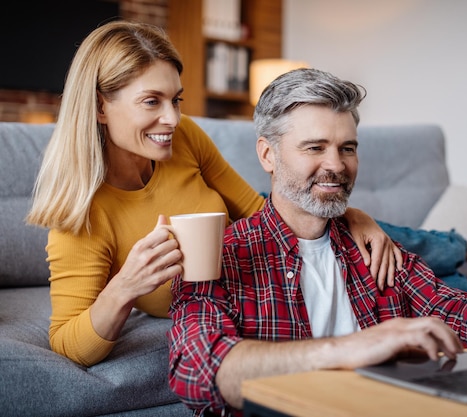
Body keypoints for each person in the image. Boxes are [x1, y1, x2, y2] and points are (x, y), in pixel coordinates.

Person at [25, 20, 404, 367]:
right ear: (99, 107)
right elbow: (67, 343)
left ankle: (465, 247)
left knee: (403, 249)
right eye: (151, 101)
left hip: (274, 242)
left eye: (176, 100)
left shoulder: (184, 136)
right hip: (249, 274)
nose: (172, 119)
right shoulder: (81, 216)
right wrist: (126, 286)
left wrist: (352, 215)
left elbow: (259, 209)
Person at [167, 68, 467, 417]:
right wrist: (349, 348)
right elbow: (198, 370)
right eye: (315, 147)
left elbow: (445, 305)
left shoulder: (372, 246)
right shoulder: (220, 256)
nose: (336, 165)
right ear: (268, 155)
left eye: (348, 148)